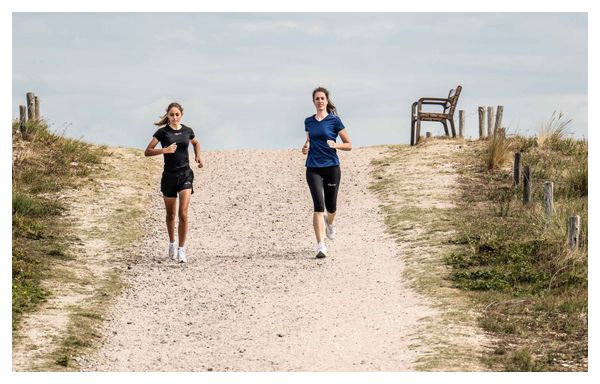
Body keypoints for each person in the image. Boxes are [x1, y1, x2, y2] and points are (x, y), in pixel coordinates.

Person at [145, 102, 203, 263]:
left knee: (183, 213)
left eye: (177, 114)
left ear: (181, 115)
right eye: (172, 115)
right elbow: (147, 151)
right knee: (170, 214)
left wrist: (198, 156)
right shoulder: (162, 132)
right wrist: (164, 150)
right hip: (169, 177)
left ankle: (182, 249)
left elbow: (196, 142)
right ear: (168, 116)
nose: (175, 117)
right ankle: (172, 243)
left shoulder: (187, 130)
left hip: (185, 175)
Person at [302, 87, 352, 259]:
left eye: (322, 98)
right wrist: (305, 147)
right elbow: (309, 141)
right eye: (317, 98)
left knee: (331, 207)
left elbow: (349, 144)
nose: (320, 101)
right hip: (313, 168)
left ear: (326, 100)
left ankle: (330, 222)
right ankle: (321, 245)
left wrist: (336, 145)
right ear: (314, 101)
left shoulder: (334, 121)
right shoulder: (308, 122)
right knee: (318, 206)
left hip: (331, 167)